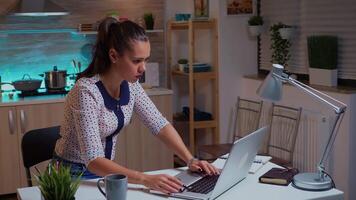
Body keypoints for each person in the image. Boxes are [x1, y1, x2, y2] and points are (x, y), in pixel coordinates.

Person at [54, 17, 219, 194]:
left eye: (146, 60)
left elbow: (159, 124)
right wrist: (145, 179)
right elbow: (93, 159)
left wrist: (190, 159)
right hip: (72, 177)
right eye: (136, 61)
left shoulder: (131, 86)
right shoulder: (86, 92)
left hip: (105, 174)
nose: (143, 68)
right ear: (114, 56)